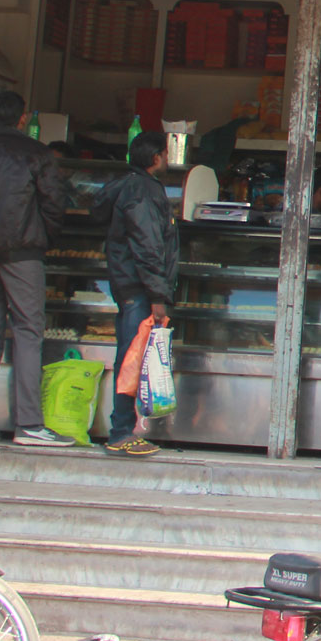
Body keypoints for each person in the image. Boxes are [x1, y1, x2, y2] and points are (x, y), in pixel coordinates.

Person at [0, 90, 73, 447]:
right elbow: (54, 202)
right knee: (28, 331)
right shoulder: (37, 153)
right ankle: (28, 424)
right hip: (24, 252)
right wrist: (43, 239)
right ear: (24, 118)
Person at [90, 130, 178, 459]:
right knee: (131, 358)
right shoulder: (143, 191)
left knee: (130, 356)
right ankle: (121, 432)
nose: (167, 159)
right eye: (165, 154)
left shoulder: (126, 185)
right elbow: (148, 245)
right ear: (155, 158)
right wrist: (157, 295)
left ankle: (123, 428)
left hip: (128, 284)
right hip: (139, 287)